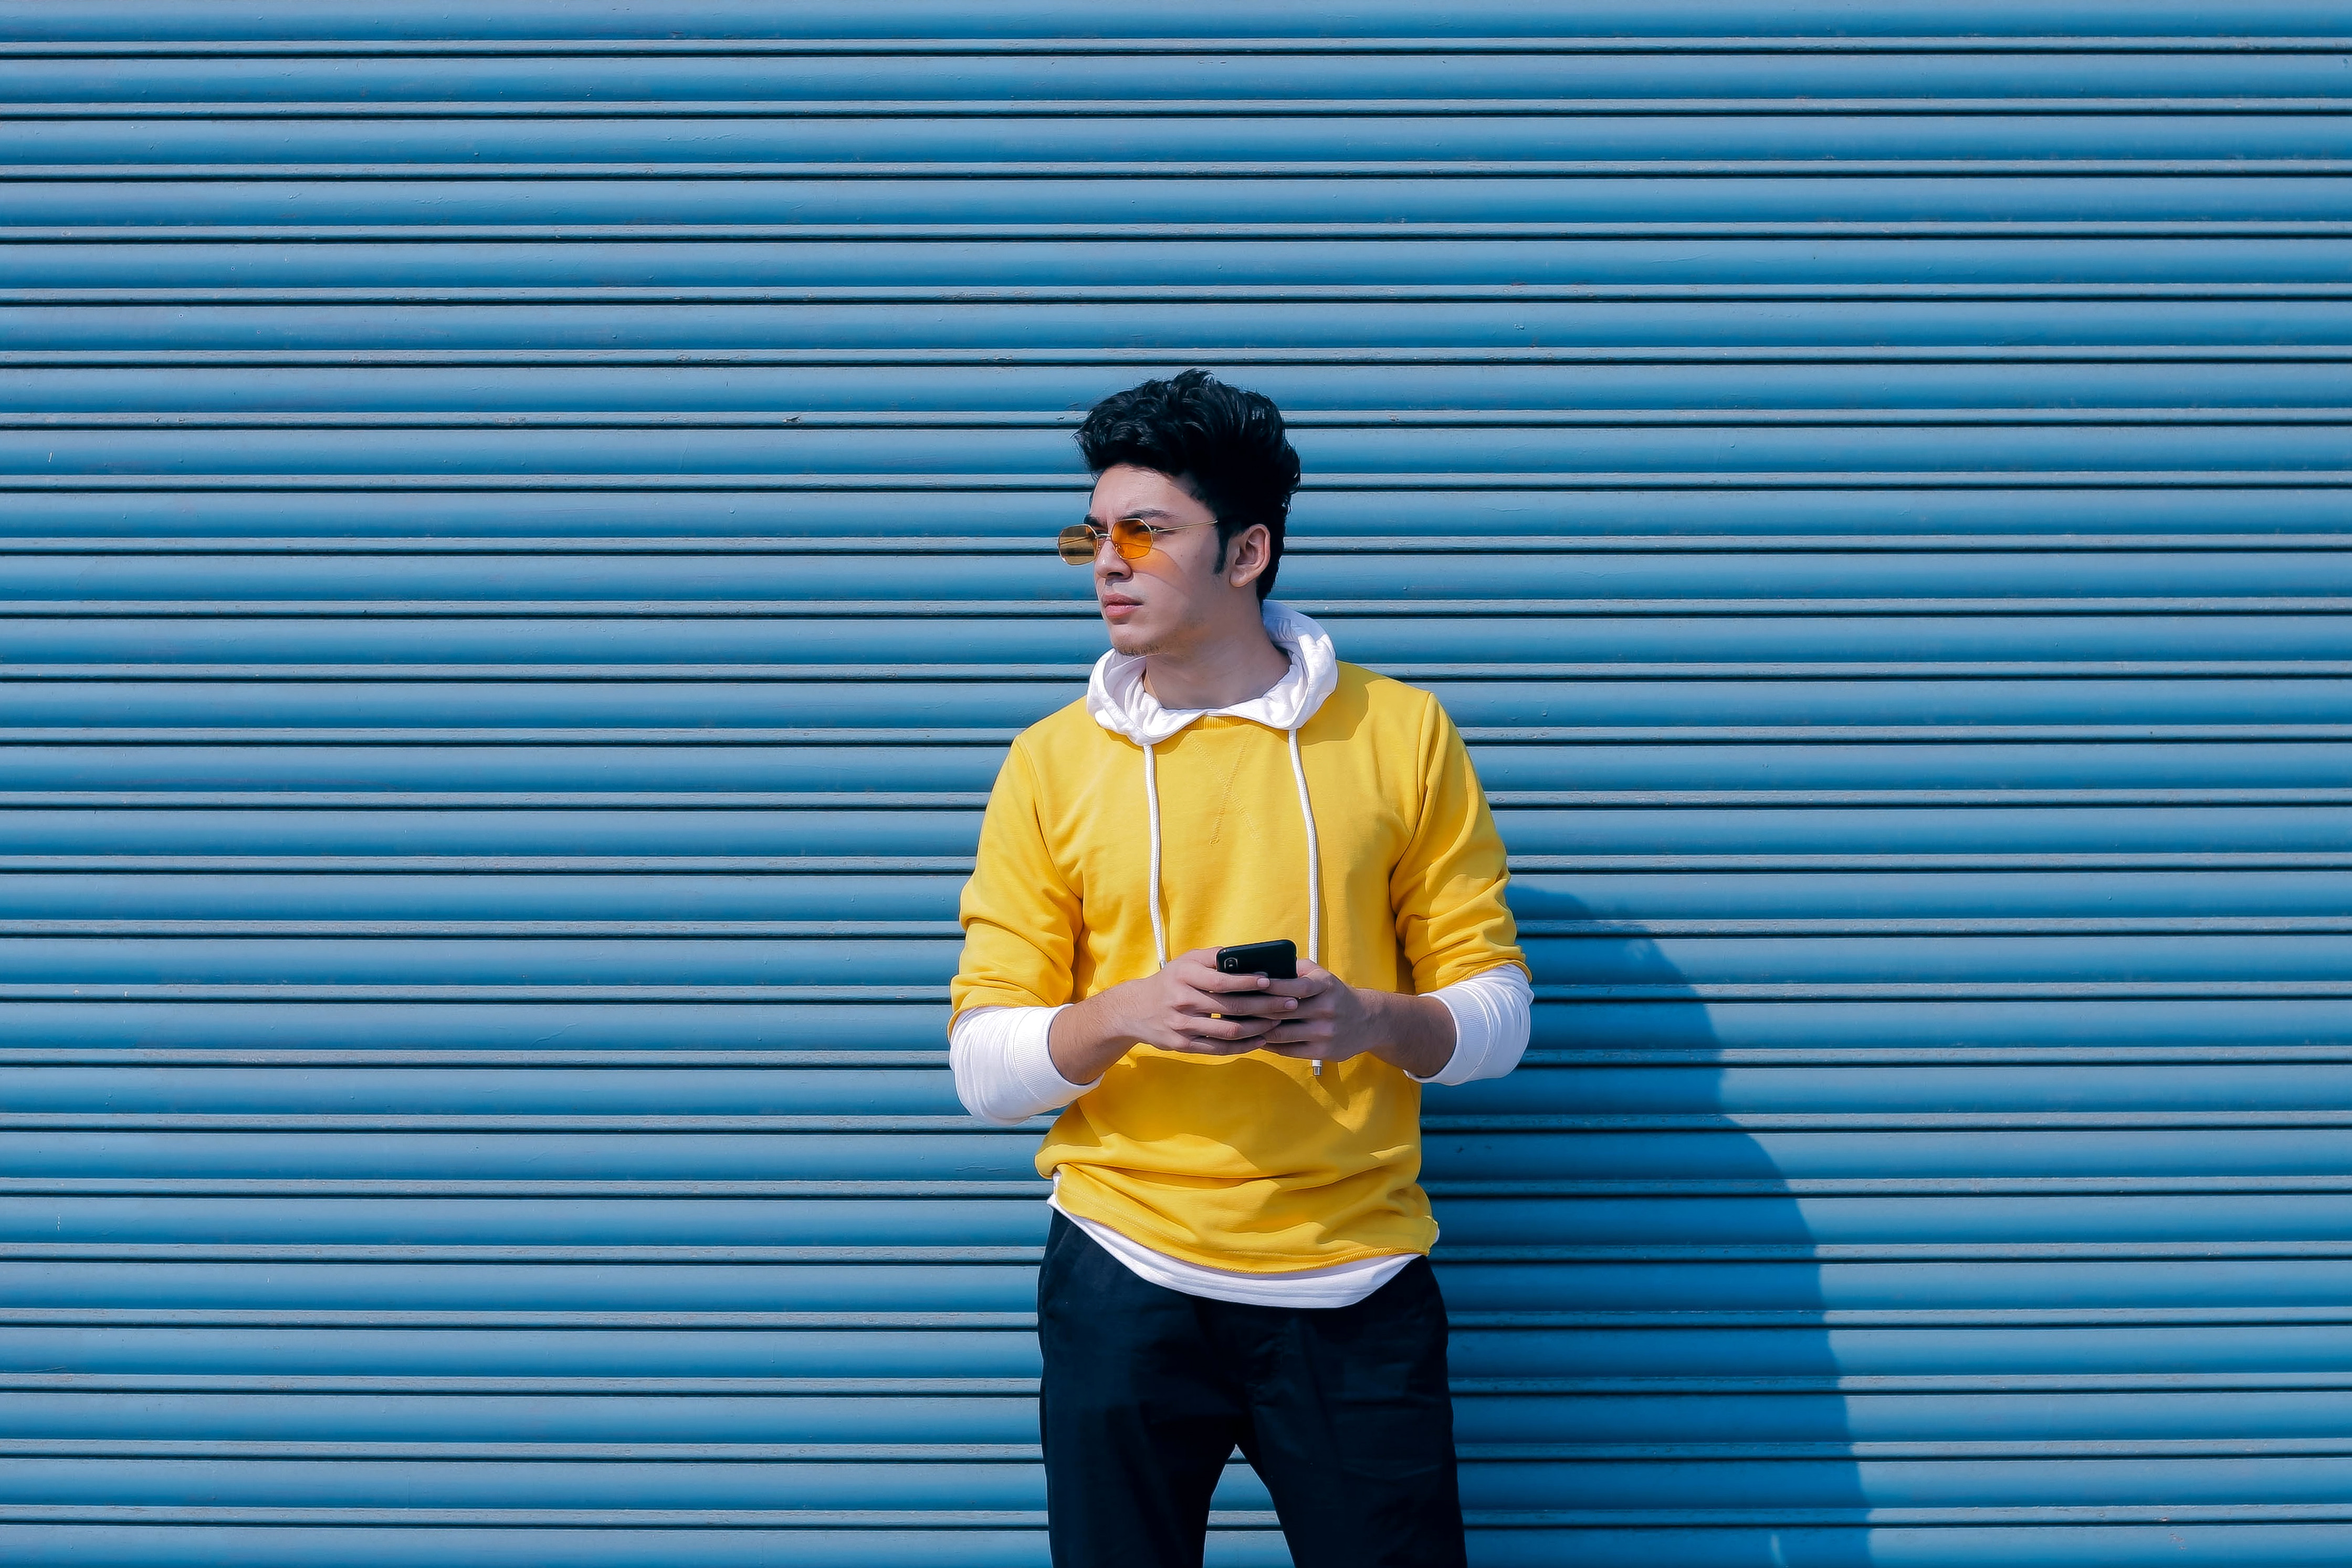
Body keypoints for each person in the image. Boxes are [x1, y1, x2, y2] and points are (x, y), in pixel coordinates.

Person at [949, 369, 1532, 1568]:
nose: (1106, 564)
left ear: (1248, 551)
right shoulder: (1049, 764)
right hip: (1122, 1269)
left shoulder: (1402, 734)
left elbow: (1499, 1014)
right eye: (1091, 536)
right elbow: (983, 1071)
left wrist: (1369, 1019)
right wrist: (1125, 1012)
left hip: (1354, 1282)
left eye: (1144, 532)